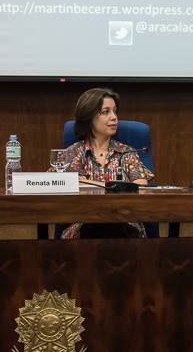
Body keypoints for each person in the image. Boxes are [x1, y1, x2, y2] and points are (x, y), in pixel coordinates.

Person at [58, 87, 153, 239]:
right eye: (105, 112)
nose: (114, 117)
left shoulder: (127, 152)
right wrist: (116, 188)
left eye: (115, 111)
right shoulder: (73, 153)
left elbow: (140, 189)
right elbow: (61, 189)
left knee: (114, 225)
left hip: (124, 224)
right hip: (83, 226)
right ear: (88, 116)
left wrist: (89, 183)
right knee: (94, 225)